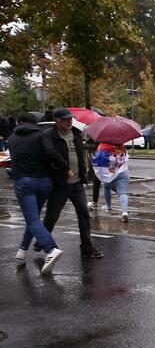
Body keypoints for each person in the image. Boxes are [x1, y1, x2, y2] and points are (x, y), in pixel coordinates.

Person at [41, 108, 103, 259]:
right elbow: (50, 152)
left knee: (84, 214)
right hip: (59, 184)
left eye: (70, 119)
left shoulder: (75, 132)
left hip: (76, 183)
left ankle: (87, 248)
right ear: (57, 121)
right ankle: (42, 241)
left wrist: (85, 171)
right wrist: (65, 168)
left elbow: (80, 153)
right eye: (65, 119)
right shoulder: (48, 135)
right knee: (52, 217)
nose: (69, 121)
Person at [9, 113, 63, 273]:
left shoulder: (12, 138)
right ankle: (22, 250)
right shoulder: (41, 136)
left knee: (32, 219)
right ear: (35, 123)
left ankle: (51, 249)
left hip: (24, 182)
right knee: (34, 219)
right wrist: (65, 168)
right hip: (44, 182)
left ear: (19, 122)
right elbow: (51, 154)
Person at [93, 142, 130, 223]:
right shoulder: (121, 145)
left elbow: (98, 160)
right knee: (122, 193)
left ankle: (109, 206)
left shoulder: (103, 146)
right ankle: (124, 213)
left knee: (106, 187)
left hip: (110, 174)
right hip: (123, 172)